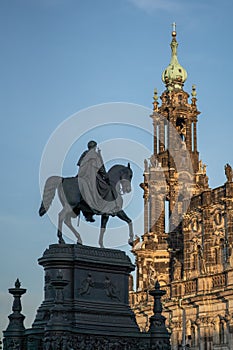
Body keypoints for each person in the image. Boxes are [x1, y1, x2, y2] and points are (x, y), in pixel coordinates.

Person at [77, 141, 111, 222]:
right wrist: (105, 176)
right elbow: (101, 168)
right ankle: (100, 207)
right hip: (91, 176)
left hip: (81, 175)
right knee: (104, 187)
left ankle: (87, 214)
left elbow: (79, 163)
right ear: (94, 147)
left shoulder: (85, 153)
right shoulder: (95, 155)